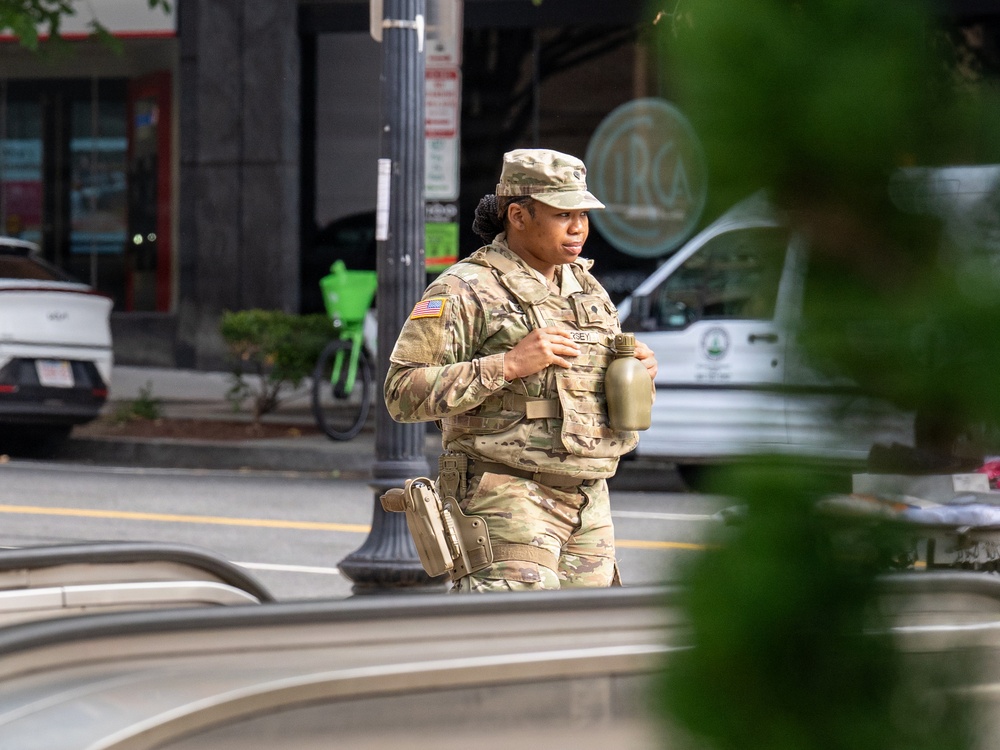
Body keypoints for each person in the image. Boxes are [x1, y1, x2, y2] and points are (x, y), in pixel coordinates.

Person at [384, 148, 657, 592]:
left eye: (583, 215)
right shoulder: (465, 288)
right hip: (504, 498)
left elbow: (588, 394)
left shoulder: (587, 288)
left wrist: (639, 373)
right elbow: (401, 393)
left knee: (582, 653)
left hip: (589, 504)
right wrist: (507, 365)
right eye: (562, 214)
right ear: (518, 215)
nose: (578, 228)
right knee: (511, 645)